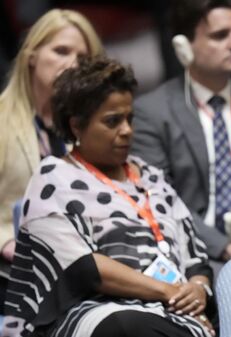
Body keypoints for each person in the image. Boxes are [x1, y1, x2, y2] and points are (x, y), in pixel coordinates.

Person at [2, 55, 215, 337]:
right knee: (126, 326)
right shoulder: (54, 177)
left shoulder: (152, 177)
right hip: (95, 311)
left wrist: (197, 289)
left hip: (172, 308)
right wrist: (171, 292)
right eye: (113, 121)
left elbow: (196, 257)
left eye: (129, 118)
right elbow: (85, 268)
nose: (127, 130)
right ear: (76, 125)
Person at [131, 0, 231, 267]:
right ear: (183, 46)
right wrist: (224, 247)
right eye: (220, 35)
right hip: (198, 253)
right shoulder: (152, 112)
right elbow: (157, 197)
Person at [0, 8, 103, 310]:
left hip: (82, 269)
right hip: (12, 273)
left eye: (83, 59)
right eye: (61, 51)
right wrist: (6, 243)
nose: (71, 64)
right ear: (32, 55)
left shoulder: (89, 130)